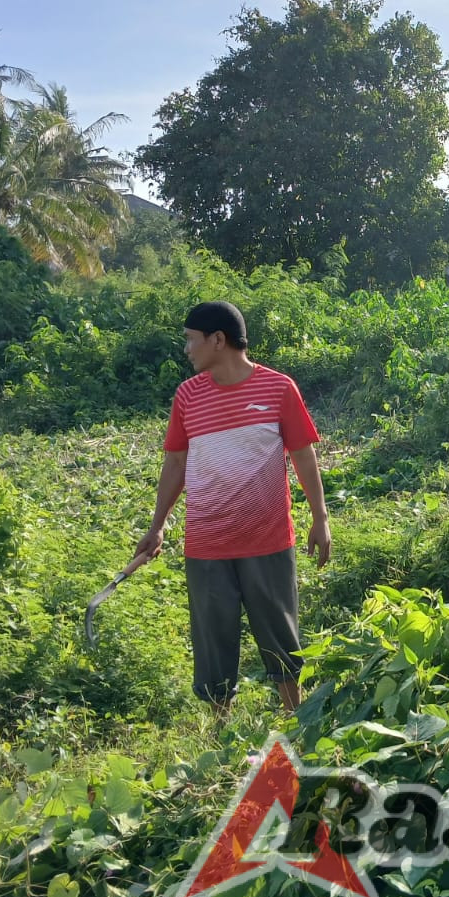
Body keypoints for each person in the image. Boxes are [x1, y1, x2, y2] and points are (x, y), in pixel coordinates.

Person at [132, 301, 330, 714]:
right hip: (207, 546)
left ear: (218, 340)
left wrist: (320, 518)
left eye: (191, 340)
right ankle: (221, 733)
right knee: (213, 645)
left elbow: (302, 454)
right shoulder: (188, 396)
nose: (187, 349)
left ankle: (297, 721)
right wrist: (157, 525)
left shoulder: (278, 389)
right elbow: (176, 463)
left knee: (281, 640)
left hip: (268, 541)